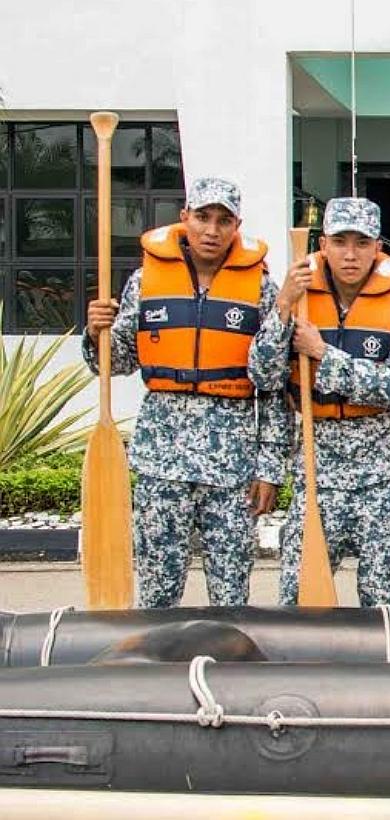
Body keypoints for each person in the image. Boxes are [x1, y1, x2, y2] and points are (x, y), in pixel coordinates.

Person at [83, 177, 285, 607]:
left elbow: (272, 387)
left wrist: (269, 468)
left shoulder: (262, 289)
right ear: (184, 219)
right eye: (203, 217)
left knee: (231, 593)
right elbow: (116, 362)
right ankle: (156, 673)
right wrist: (96, 330)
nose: (212, 230)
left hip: (232, 464)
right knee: (157, 590)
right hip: (161, 460)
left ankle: (227, 670)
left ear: (237, 226)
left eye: (223, 220)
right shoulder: (145, 281)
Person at [249, 197, 390, 607]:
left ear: (378, 249)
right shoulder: (298, 297)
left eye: (361, 242)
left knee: (381, 598)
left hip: (384, 468)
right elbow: (263, 375)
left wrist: (324, 354)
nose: (350, 253)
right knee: (298, 595)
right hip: (318, 465)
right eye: (340, 241)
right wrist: (284, 307)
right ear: (323, 244)